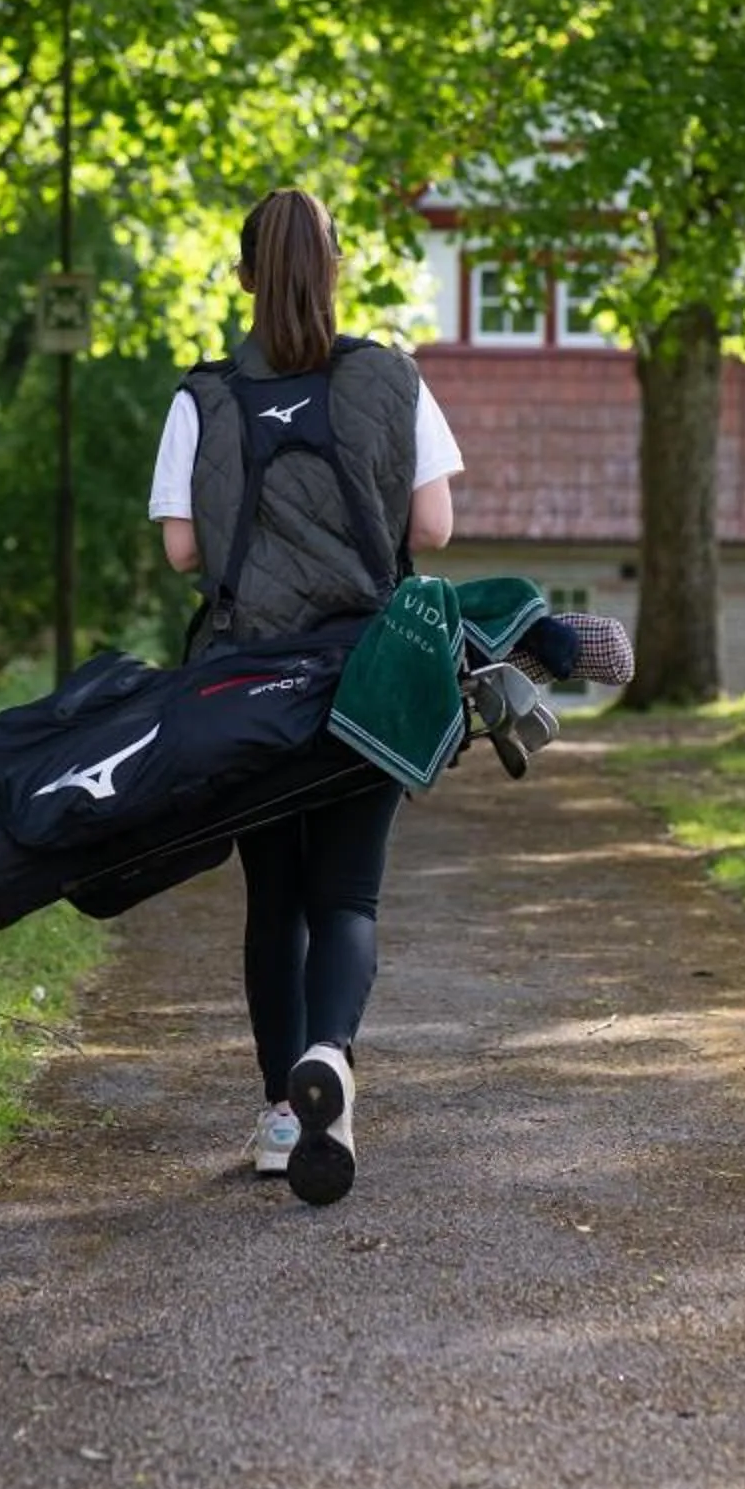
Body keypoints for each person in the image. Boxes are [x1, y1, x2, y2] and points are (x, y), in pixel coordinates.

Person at [148, 187, 460, 1205]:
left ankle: (283, 1112)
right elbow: (438, 528)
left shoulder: (200, 397)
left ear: (242, 275)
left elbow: (182, 548)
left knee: (272, 904)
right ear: (334, 270)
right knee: (347, 898)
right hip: (363, 678)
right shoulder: (390, 379)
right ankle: (331, 1051)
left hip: (246, 685)